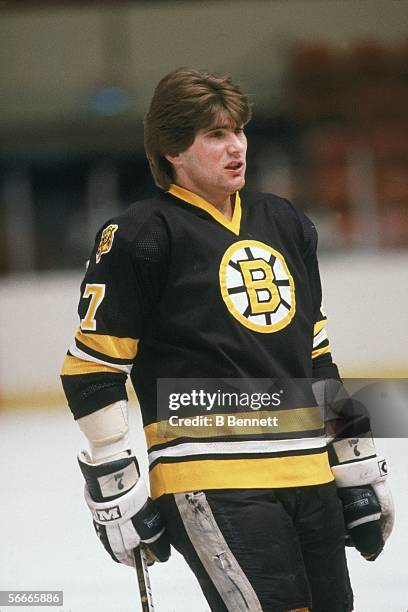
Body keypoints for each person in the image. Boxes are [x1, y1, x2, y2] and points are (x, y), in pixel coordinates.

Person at [61, 68, 394, 612]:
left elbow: (317, 359)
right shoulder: (141, 235)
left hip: (307, 469)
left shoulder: (286, 223)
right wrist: (115, 484)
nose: (236, 146)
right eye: (215, 135)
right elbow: (91, 371)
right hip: (211, 477)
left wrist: (354, 461)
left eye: (238, 130)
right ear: (172, 148)